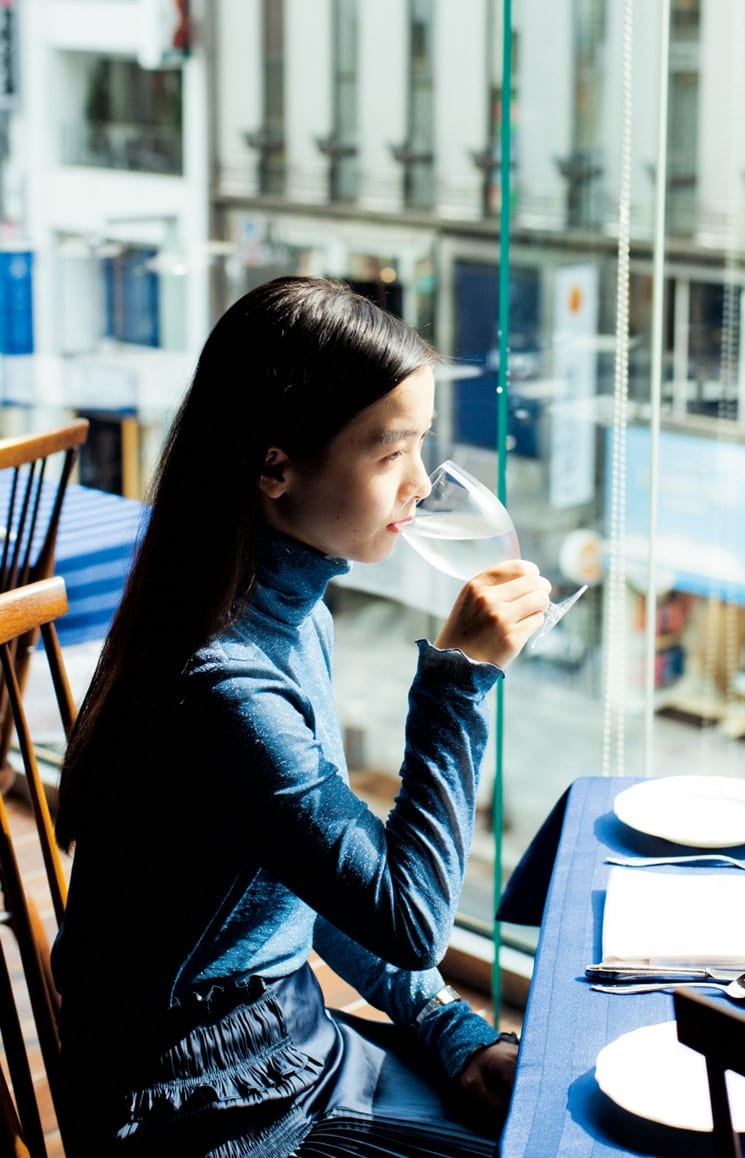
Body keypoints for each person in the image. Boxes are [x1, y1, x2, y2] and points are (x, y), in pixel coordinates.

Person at [53, 276, 551, 1157]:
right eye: (390, 451)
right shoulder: (221, 684)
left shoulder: (288, 615)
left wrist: (451, 1028)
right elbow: (405, 917)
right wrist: (460, 680)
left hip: (289, 1037)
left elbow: (321, 895)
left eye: (423, 447)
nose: (420, 485)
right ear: (275, 467)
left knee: (543, 1113)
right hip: (204, 1105)